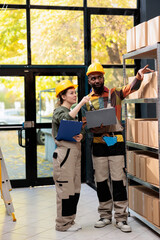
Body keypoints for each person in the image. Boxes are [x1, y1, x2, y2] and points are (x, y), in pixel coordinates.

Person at [81, 62, 154, 233]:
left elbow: (130, 89)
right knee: (101, 181)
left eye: (99, 77)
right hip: (98, 143)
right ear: (89, 81)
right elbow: (85, 125)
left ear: (103, 77)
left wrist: (138, 76)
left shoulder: (115, 94)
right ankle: (105, 215)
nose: (97, 80)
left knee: (118, 181)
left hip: (115, 142)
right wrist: (92, 127)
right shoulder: (86, 101)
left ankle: (121, 218)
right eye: (93, 78)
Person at [52, 79, 90, 232]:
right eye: (71, 93)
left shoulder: (71, 113)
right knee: (65, 190)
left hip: (74, 153)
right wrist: (80, 104)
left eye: (75, 93)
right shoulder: (59, 112)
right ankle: (62, 224)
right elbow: (66, 119)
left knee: (74, 189)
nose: (75, 95)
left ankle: (70, 220)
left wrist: (81, 134)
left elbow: (75, 129)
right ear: (62, 96)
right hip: (64, 155)